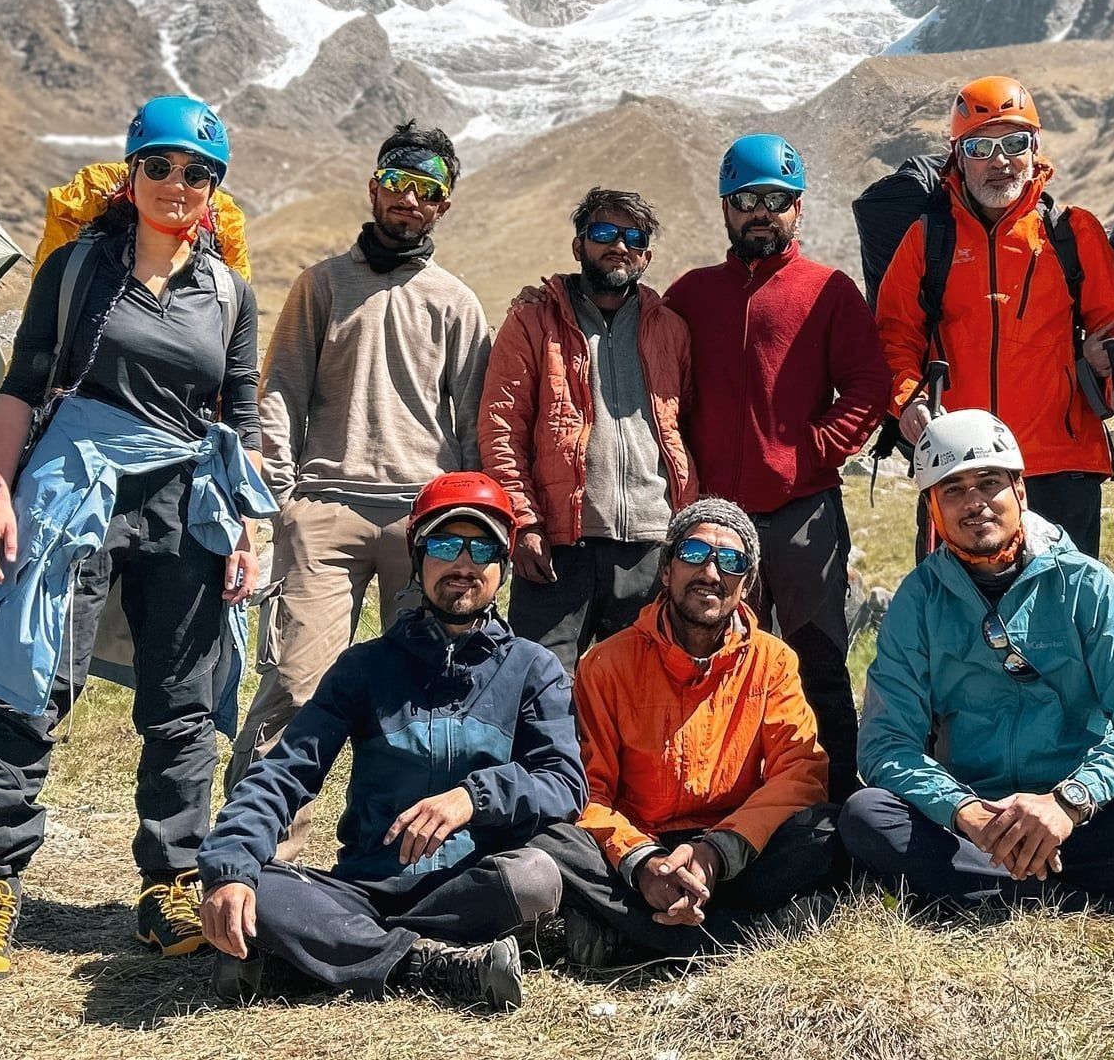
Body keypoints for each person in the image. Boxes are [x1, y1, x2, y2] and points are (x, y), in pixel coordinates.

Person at [0, 95, 274, 981]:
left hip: (188, 502)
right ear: (131, 173)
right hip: (72, 490)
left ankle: (167, 885)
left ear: (213, 187)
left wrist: (247, 530)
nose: (177, 184)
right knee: (30, 680)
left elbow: (237, 419)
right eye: (159, 165)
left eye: (198, 172)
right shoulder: (79, 268)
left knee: (184, 702)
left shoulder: (229, 292)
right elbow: (23, 384)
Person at [199, 473, 580, 1010]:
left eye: (483, 548)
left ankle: (323, 954)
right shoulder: (364, 667)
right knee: (257, 888)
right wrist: (230, 867)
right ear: (418, 557)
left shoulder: (531, 668)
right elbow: (284, 773)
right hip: (365, 886)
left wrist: (472, 797)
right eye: (446, 545)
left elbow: (563, 784)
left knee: (536, 876)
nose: (463, 564)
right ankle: (433, 964)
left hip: (468, 886)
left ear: (504, 564)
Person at [226, 121, 493, 856]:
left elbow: (472, 426)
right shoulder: (321, 286)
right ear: (375, 187)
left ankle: (404, 861)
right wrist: (270, 503)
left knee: (421, 695)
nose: (410, 201)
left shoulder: (456, 302)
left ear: (445, 204)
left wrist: (470, 526)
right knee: (297, 686)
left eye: (428, 190)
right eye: (398, 184)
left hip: (425, 521)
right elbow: (277, 394)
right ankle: (257, 860)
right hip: (322, 509)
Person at [843, 410, 1114, 925]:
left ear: (1020, 490)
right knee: (865, 816)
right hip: (972, 822)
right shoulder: (918, 600)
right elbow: (885, 743)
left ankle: (982, 898)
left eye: (989, 483)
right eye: (952, 490)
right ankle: (1091, 902)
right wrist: (961, 810)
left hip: (1077, 809)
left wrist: (1068, 801)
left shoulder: (1086, 583)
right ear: (934, 509)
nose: (974, 503)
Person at [662, 134, 889, 801]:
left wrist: (818, 448)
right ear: (727, 209)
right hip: (713, 524)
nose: (761, 212)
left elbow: (871, 383)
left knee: (817, 663)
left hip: (803, 514)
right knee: (714, 663)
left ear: (798, 208)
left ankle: (839, 809)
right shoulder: (691, 295)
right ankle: (725, 803)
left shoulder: (829, 291)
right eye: (747, 201)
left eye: (776, 201)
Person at [530, 500, 837, 967]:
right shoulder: (606, 664)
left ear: (747, 585)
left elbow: (800, 772)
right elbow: (586, 791)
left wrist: (718, 851)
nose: (711, 573)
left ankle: (633, 934)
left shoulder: (772, 662)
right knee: (549, 833)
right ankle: (752, 931)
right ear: (667, 568)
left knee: (832, 827)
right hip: (637, 845)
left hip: (733, 845)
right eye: (695, 554)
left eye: (731, 562)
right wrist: (641, 862)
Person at [874, 76, 1114, 559]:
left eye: (1014, 142)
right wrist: (908, 401)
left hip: (1061, 461)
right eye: (981, 146)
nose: (1000, 160)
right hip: (961, 465)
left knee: (1066, 613)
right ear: (958, 156)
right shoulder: (928, 240)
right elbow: (893, 338)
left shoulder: (1071, 230)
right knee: (961, 619)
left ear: (1035, 148)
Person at [479, 188, 696, 674]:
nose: (618, 245)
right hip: (559, 545)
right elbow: (501, 427)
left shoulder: (672, 330)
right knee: (540, 691)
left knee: (638, 696)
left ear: (647, 255)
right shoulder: (532, 320)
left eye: (632, 237)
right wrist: (524, 522)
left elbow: (682, 428)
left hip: (650, 542)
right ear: (579, 246)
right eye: (603, 233)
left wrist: (682, 531)